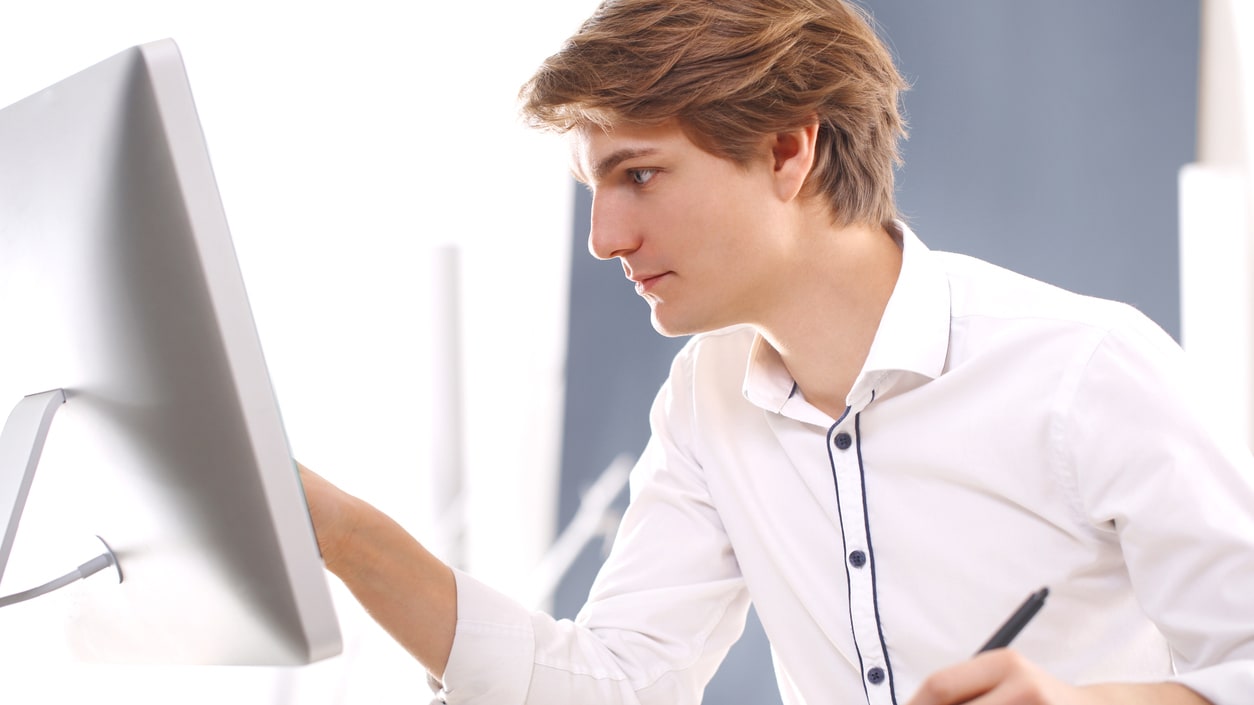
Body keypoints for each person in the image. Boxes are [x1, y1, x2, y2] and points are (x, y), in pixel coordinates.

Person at [298, 0, 1254, 703]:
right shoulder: (705, 400)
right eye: (598, 186)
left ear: (789, 152)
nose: (604, 237)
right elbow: (612, 685)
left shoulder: (1088, 369)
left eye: (640, 175)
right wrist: (335, 531)